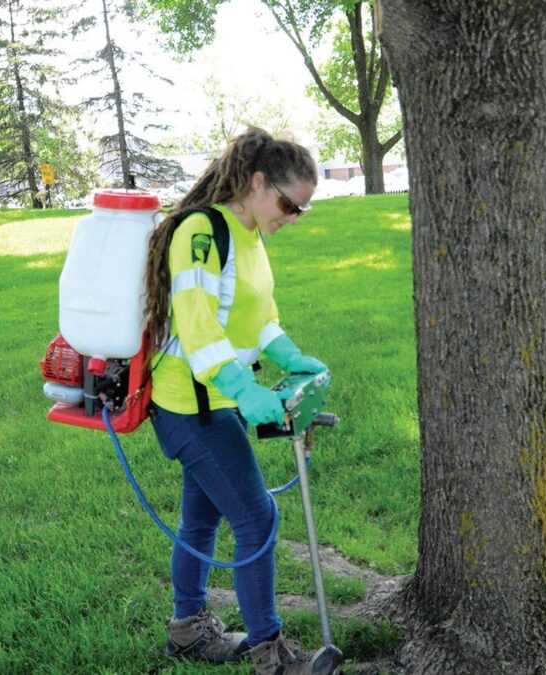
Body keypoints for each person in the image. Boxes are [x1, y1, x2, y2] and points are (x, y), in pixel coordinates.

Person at [141, 127, 342, 674]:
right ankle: (271, 654)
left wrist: (290, 355)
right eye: (288, 203)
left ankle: (187, 630)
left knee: (201, 521)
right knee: (258, 517)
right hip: (190, 405)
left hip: (216, 401)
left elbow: (261, 318)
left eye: (302, 210)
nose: (293, 217)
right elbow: (199, 325)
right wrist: (243, 389)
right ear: (256, 182)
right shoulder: (201, 233)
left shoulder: (250, 235)